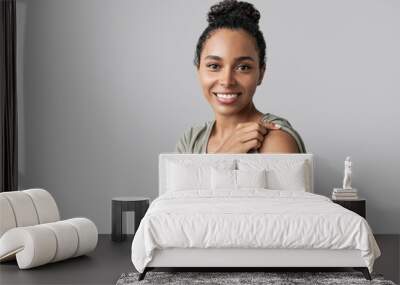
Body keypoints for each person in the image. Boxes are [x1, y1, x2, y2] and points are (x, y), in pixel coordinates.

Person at [175, 0, 306, 154]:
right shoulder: (191, 140)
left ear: (261, 73)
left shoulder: (275, 140)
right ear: (198, 70)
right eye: (214, 66)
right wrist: (224, 155)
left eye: (243, 67)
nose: (227, 81)